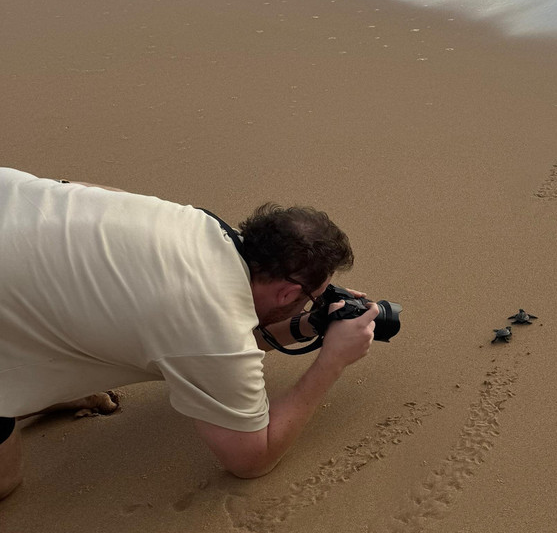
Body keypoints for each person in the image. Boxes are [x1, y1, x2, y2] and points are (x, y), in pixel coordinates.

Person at [0, 167, 379, 500]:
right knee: (6, 480)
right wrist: (331, 361)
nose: (313, 304)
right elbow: (250, 459)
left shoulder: (196, 223)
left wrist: (306, 327)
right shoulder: (210, 323)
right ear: (287, 293)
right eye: (314, 298)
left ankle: (41, 389)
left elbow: (87, 189)